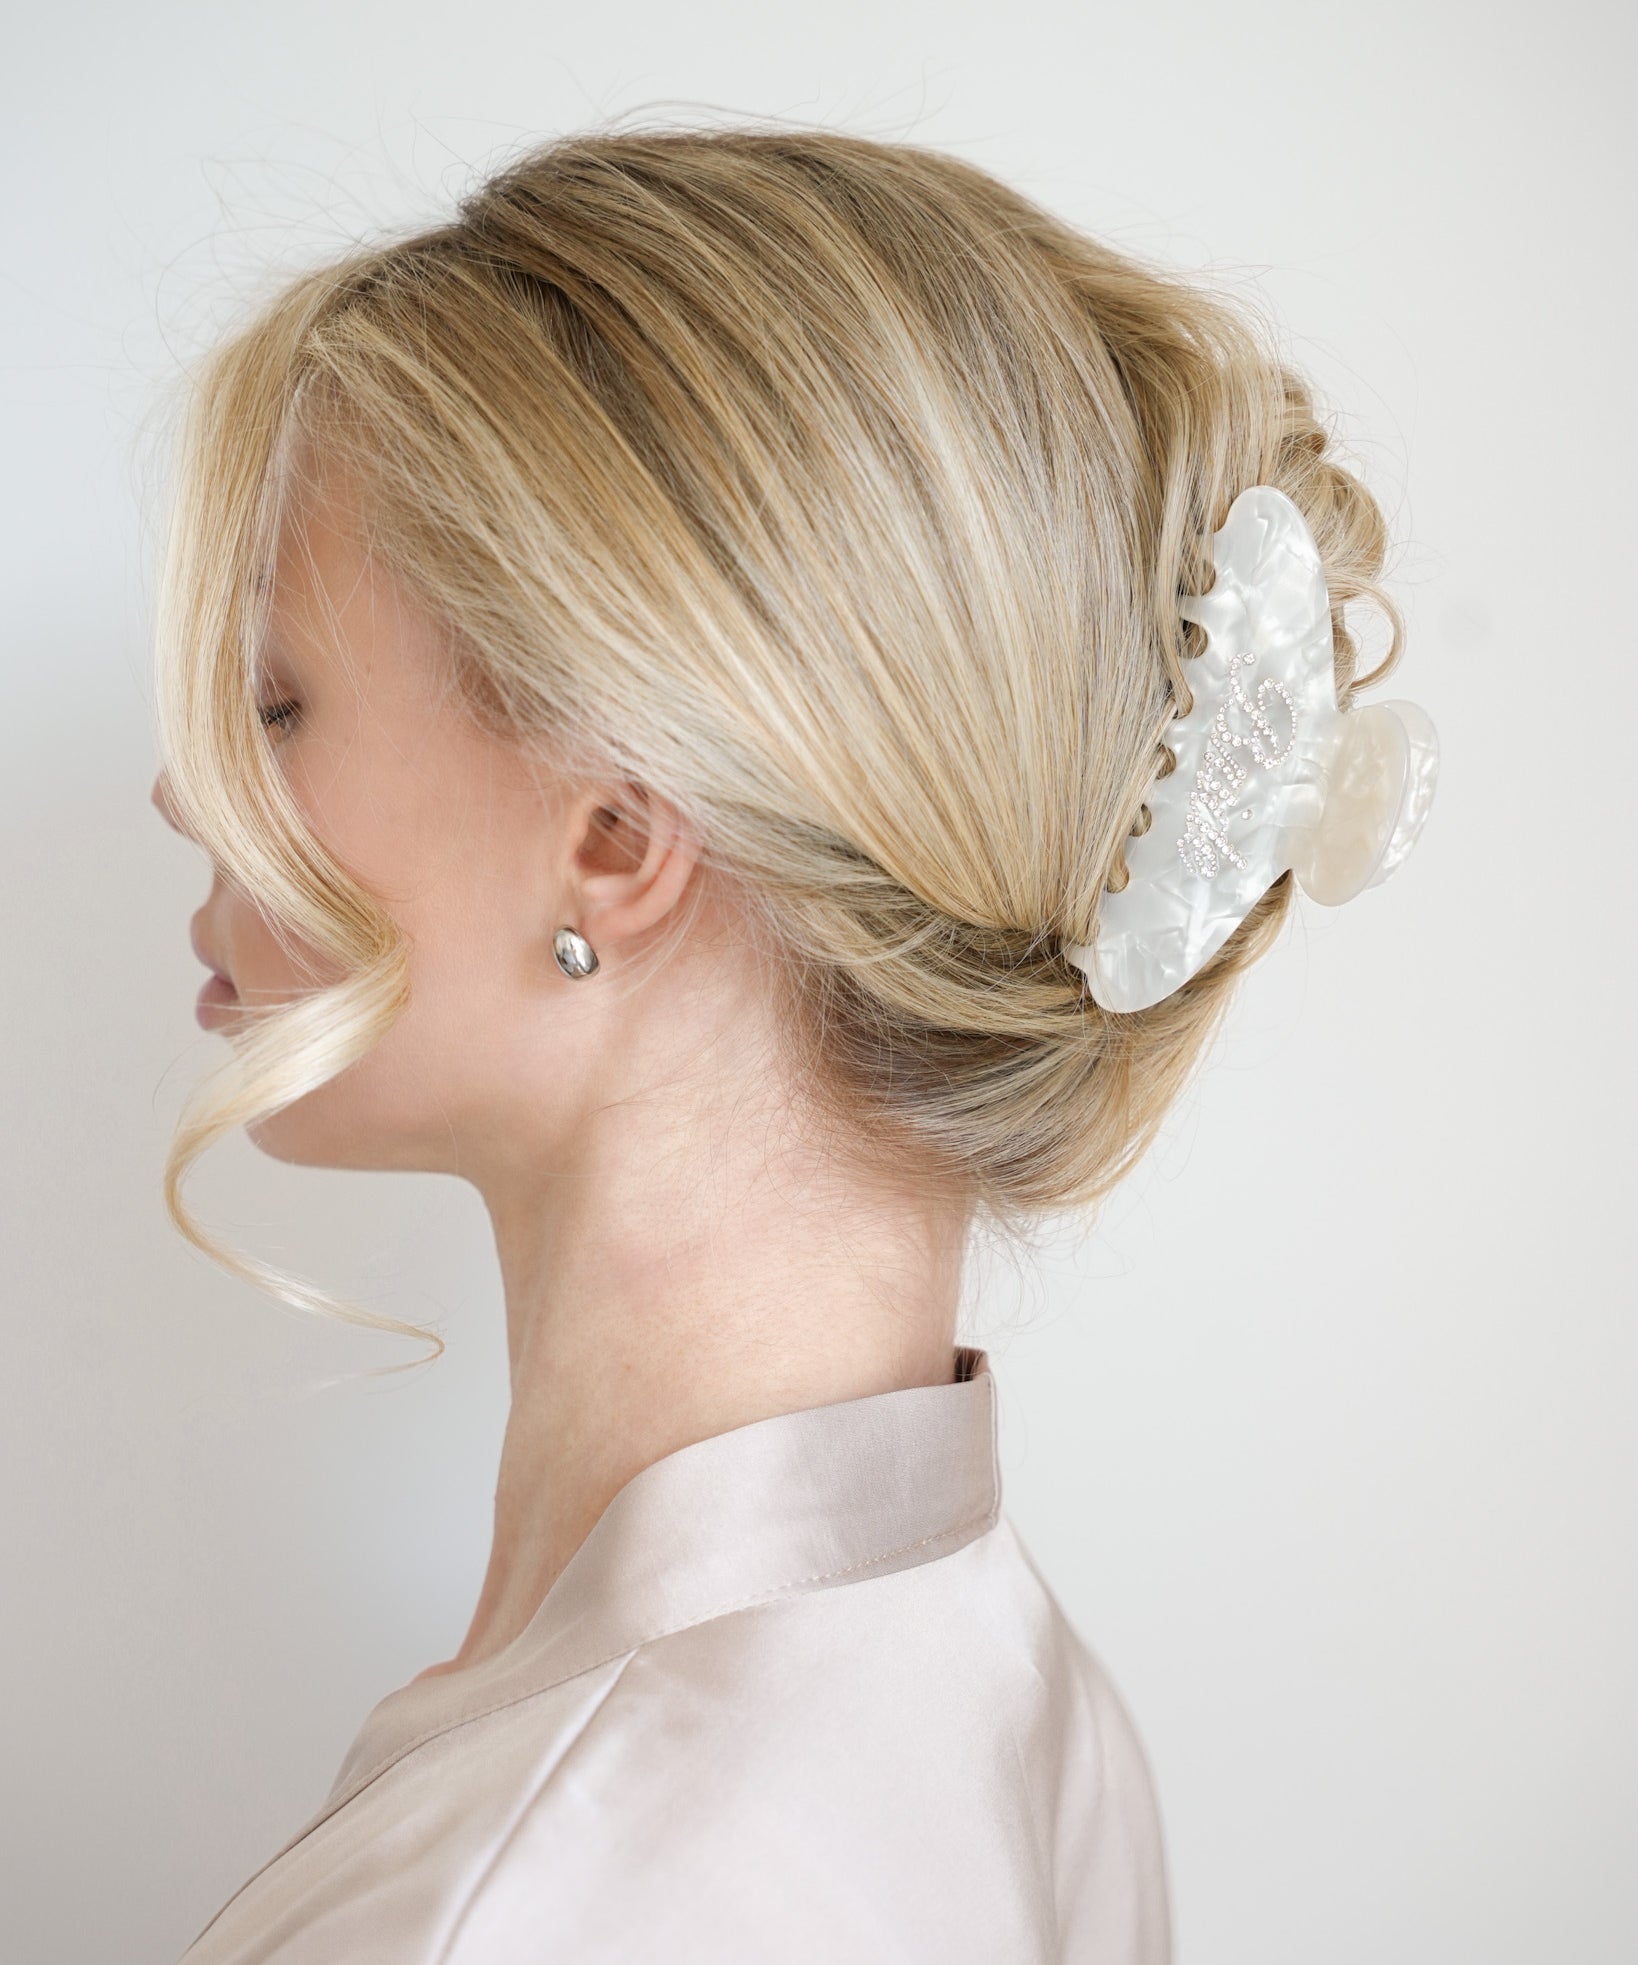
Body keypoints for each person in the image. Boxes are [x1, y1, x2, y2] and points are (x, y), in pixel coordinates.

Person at [149, 120, 1433, 1964]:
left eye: (278, 697)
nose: (186, 789)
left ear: (615, 834)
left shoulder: (559, 1894)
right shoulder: (1005, 1691)